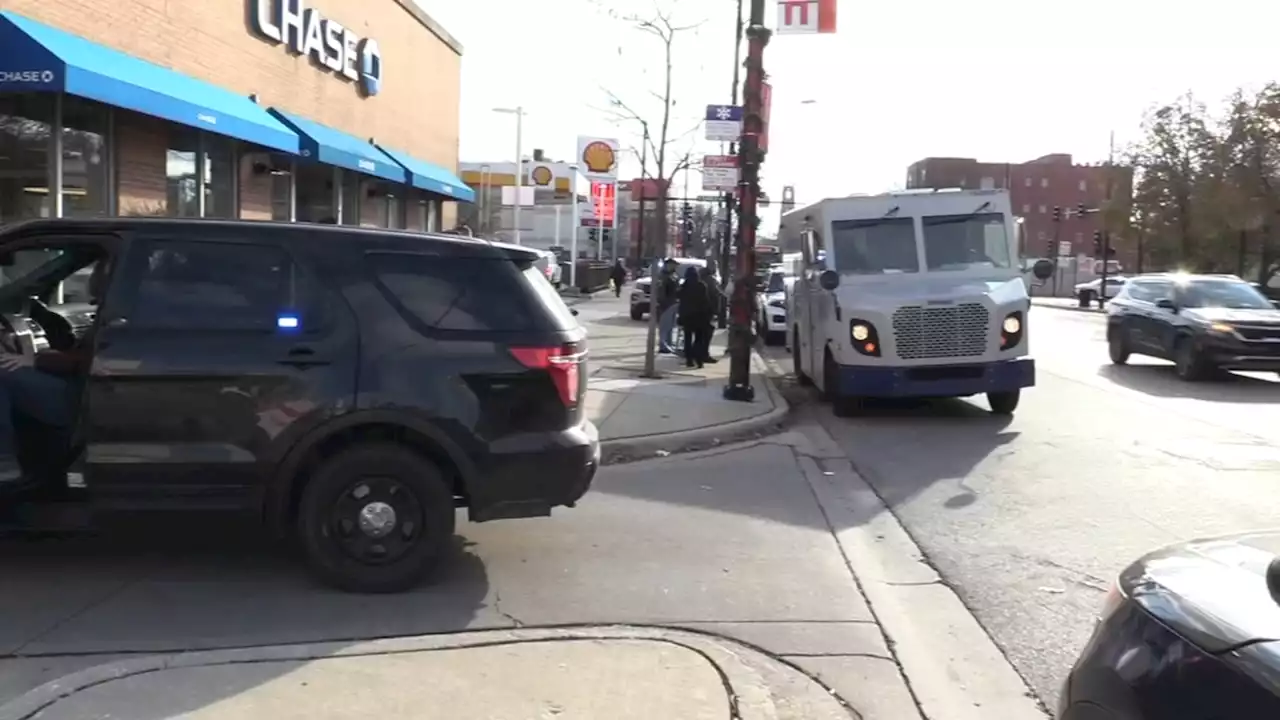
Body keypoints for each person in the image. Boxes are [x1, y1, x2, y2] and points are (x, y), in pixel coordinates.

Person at [0, 259, 109, 484]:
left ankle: (4, 461)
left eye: (100, 269)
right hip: (82, 392)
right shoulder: (116, 310)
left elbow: (87, 361)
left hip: (80, 399)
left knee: (3, 371)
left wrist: (35, 360)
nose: (93, 275)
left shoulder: (121, 315)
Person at [677, 266, 713, 368]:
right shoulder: (702, 286)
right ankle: (699, 360)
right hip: (700, 316)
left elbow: (679, 298)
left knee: (687, 339)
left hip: (687, 316)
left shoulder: (684, 286)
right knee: (699, 339)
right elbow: (706, 301)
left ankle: (689, 360)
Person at [656, 259, 680, 354]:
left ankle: (669, 344)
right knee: (664, 326)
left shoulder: (673, 275)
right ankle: (663, 346)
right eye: (673, 265)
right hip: (666, 305)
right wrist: (663, 302)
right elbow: (661, 291)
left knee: (670, 326)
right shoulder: (663, 276)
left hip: (673, 303)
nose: (675, 267)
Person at [698, 266, 722, 364]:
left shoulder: (699, 282)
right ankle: (704, 355)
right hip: (707, 311)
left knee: (700, 335)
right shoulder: (711, 282)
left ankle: (699, 354)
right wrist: (716, 311)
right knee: (706, 333)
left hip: (699, 312)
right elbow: (716, 296)